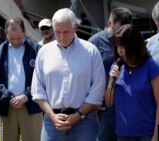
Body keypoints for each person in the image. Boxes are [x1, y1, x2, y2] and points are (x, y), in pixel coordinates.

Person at [31, 8, 106, 141]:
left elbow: (98, 89)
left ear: (75, 28)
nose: (61, 37)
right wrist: (53, 116)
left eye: (66, 32)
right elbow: (38, 90)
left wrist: (78, 116)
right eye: (57, 32)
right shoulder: (44, 52)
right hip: (52, 121)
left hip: (84, 122)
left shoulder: (91, 52)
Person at [106, 24, 159, 141]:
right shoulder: (116, 67)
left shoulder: (152, 67)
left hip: (146, 134)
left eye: (122, 47)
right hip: (122, 134)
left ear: (134, 46)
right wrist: (111, 81)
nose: (119, 51)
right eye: (117, 46)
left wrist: (157, 136)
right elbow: (108, 103)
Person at [0, 17, 42, 141]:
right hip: (7, 107)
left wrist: (26, 95)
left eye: (18, 38)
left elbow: (41, 78)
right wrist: (9, 97)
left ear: (24, 31)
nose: (15, 41)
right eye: (11, 38)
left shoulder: (36, 50)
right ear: (5, 33)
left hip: (31, 106)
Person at [88, 7, 132, 141]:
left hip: (130, 104)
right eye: (117, 31)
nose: (120, 35)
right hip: (105, 108)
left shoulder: (132, 39)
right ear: (109, 23)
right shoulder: (94, 43)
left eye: (123, 31)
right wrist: (92, 101)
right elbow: (85, 75)